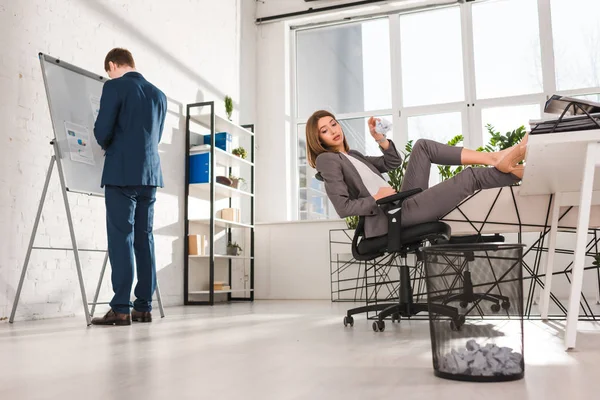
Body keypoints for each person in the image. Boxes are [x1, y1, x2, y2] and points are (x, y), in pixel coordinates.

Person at [306, 110, 527, 239]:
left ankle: (499, 160)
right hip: (390, 216)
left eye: (333, 124)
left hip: (400, 203)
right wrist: (376, 198)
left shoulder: (352, 154)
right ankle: (521, 170)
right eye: (324, 130)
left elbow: (392, 162)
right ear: (318, 140)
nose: (333, 131)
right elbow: (343, 208)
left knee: (422, 147)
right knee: (470, 177)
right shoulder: (327, 160)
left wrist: (380, 139)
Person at [92, 48, 167, 326]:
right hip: (150, 176)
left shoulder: (114, 87)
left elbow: (102, 132)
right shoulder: (159, 94)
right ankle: (144, 307)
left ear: (112, 65)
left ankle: (121, 309)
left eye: (108, 70)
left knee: (120, 238)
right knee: (144, 239)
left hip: (121, 174)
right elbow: (154, 137)